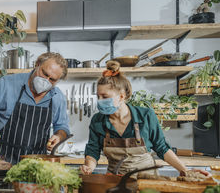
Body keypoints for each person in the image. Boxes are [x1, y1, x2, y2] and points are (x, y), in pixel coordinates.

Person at [80, 61, 209, 177]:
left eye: (105, 96)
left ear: (121, 96)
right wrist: (89, 167)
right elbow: (93, 150)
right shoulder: (98, 120)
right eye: (98, 96)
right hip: (115, 179)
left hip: (147, 178)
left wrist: (184, 170)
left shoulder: (145, 116)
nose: (100, 101)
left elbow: (161, 147)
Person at [0, 52, 70, 164]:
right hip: (1, 161)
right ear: (37, 65)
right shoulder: (8, 84)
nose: (46, 80)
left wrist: (59, 137)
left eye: (52, 80)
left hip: (36, 165)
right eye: (44, 74)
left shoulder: (58, 97)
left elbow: (62, 126)